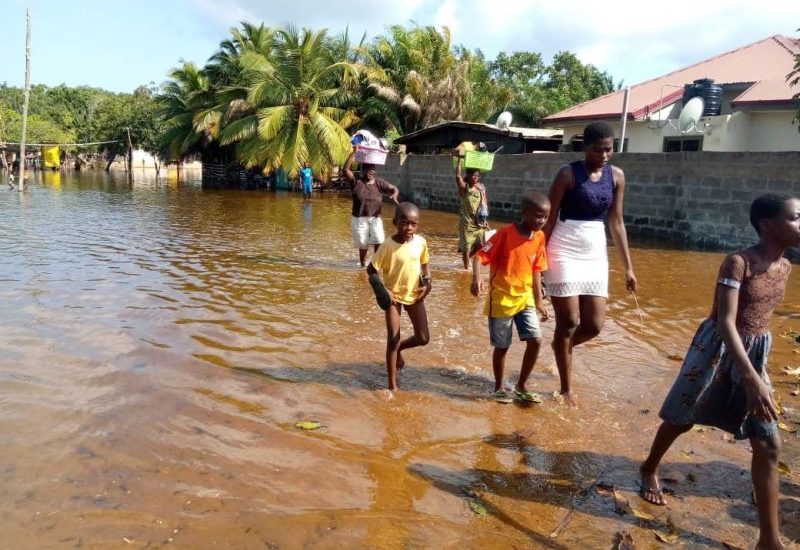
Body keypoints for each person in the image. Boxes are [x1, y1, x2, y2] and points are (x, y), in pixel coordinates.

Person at [640, 194, 799, 550]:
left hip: (754, 352)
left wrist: (756, 372)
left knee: (768, 442)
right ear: (767, 225)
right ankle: (649, 466)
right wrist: (751, 378)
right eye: (796, 218)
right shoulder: (738, 263)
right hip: (717, 349)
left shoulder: (786, 265)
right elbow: (726, 322)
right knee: (683, 418)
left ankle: (769, 541)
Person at [543, 122, 636, 407]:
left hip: (595, 249)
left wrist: (628, 267)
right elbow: (548, 218)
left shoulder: (617, 177)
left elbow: (617, 223)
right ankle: (566, 388)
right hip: (563, 246)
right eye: (598, 150)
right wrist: (537, 262)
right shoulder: (567, 174)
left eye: (609, 150)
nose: (605, 155)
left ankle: (561, 347)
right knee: (569, 321)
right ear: (585, 148)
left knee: (594, 324)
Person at [472, 192, 551, 403]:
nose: (541, 221)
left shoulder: (540, 238)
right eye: (537, 216)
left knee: (536, 339)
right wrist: (477, 278)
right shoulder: (505, 234)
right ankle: (498, 387)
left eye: (545, 217)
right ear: (523, 213)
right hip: (502, 299)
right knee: (502, 346)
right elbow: (479, 257)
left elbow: (536, 270)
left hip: (525, 299)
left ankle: (522, 385)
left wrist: (540, 302)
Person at [366, 202, 432, 391]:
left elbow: (426, 265)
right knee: (393, 338)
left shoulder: (421, 242)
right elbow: (371, 271)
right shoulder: (387, 246)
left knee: (423, 338)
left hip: (414, 295)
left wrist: (427, 284)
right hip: (393, 298)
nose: (408, 228)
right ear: (395, 222)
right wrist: (382, 289)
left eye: (413, 224)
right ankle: (392, 385)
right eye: (404, 223)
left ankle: (400, 349)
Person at [343, 146, 400, 267]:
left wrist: (394, 194)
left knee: (379, 240)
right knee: (363, 244)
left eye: (373, 169)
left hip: (375, 218)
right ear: (362, 170)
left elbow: (393, 188)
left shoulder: (379, 183)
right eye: (368, 169)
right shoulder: (356, 182)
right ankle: (363, 264)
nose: (371, 171)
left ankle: (376, 264)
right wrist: (354, 152)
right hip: (359, 219)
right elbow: (345, 170)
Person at [455, 157, 491, 269]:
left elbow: (483, 206)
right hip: (467, 223)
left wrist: (485, 221)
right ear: (468, 176)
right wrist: (460, 160)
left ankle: (465, 262)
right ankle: (466, 269)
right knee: (467, 248)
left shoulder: (480, 188)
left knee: (482, 246)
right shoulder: (465, 189)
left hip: (479, 223)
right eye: (473, 175)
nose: (475, 178)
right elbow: (457, 176)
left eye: (477, 176)